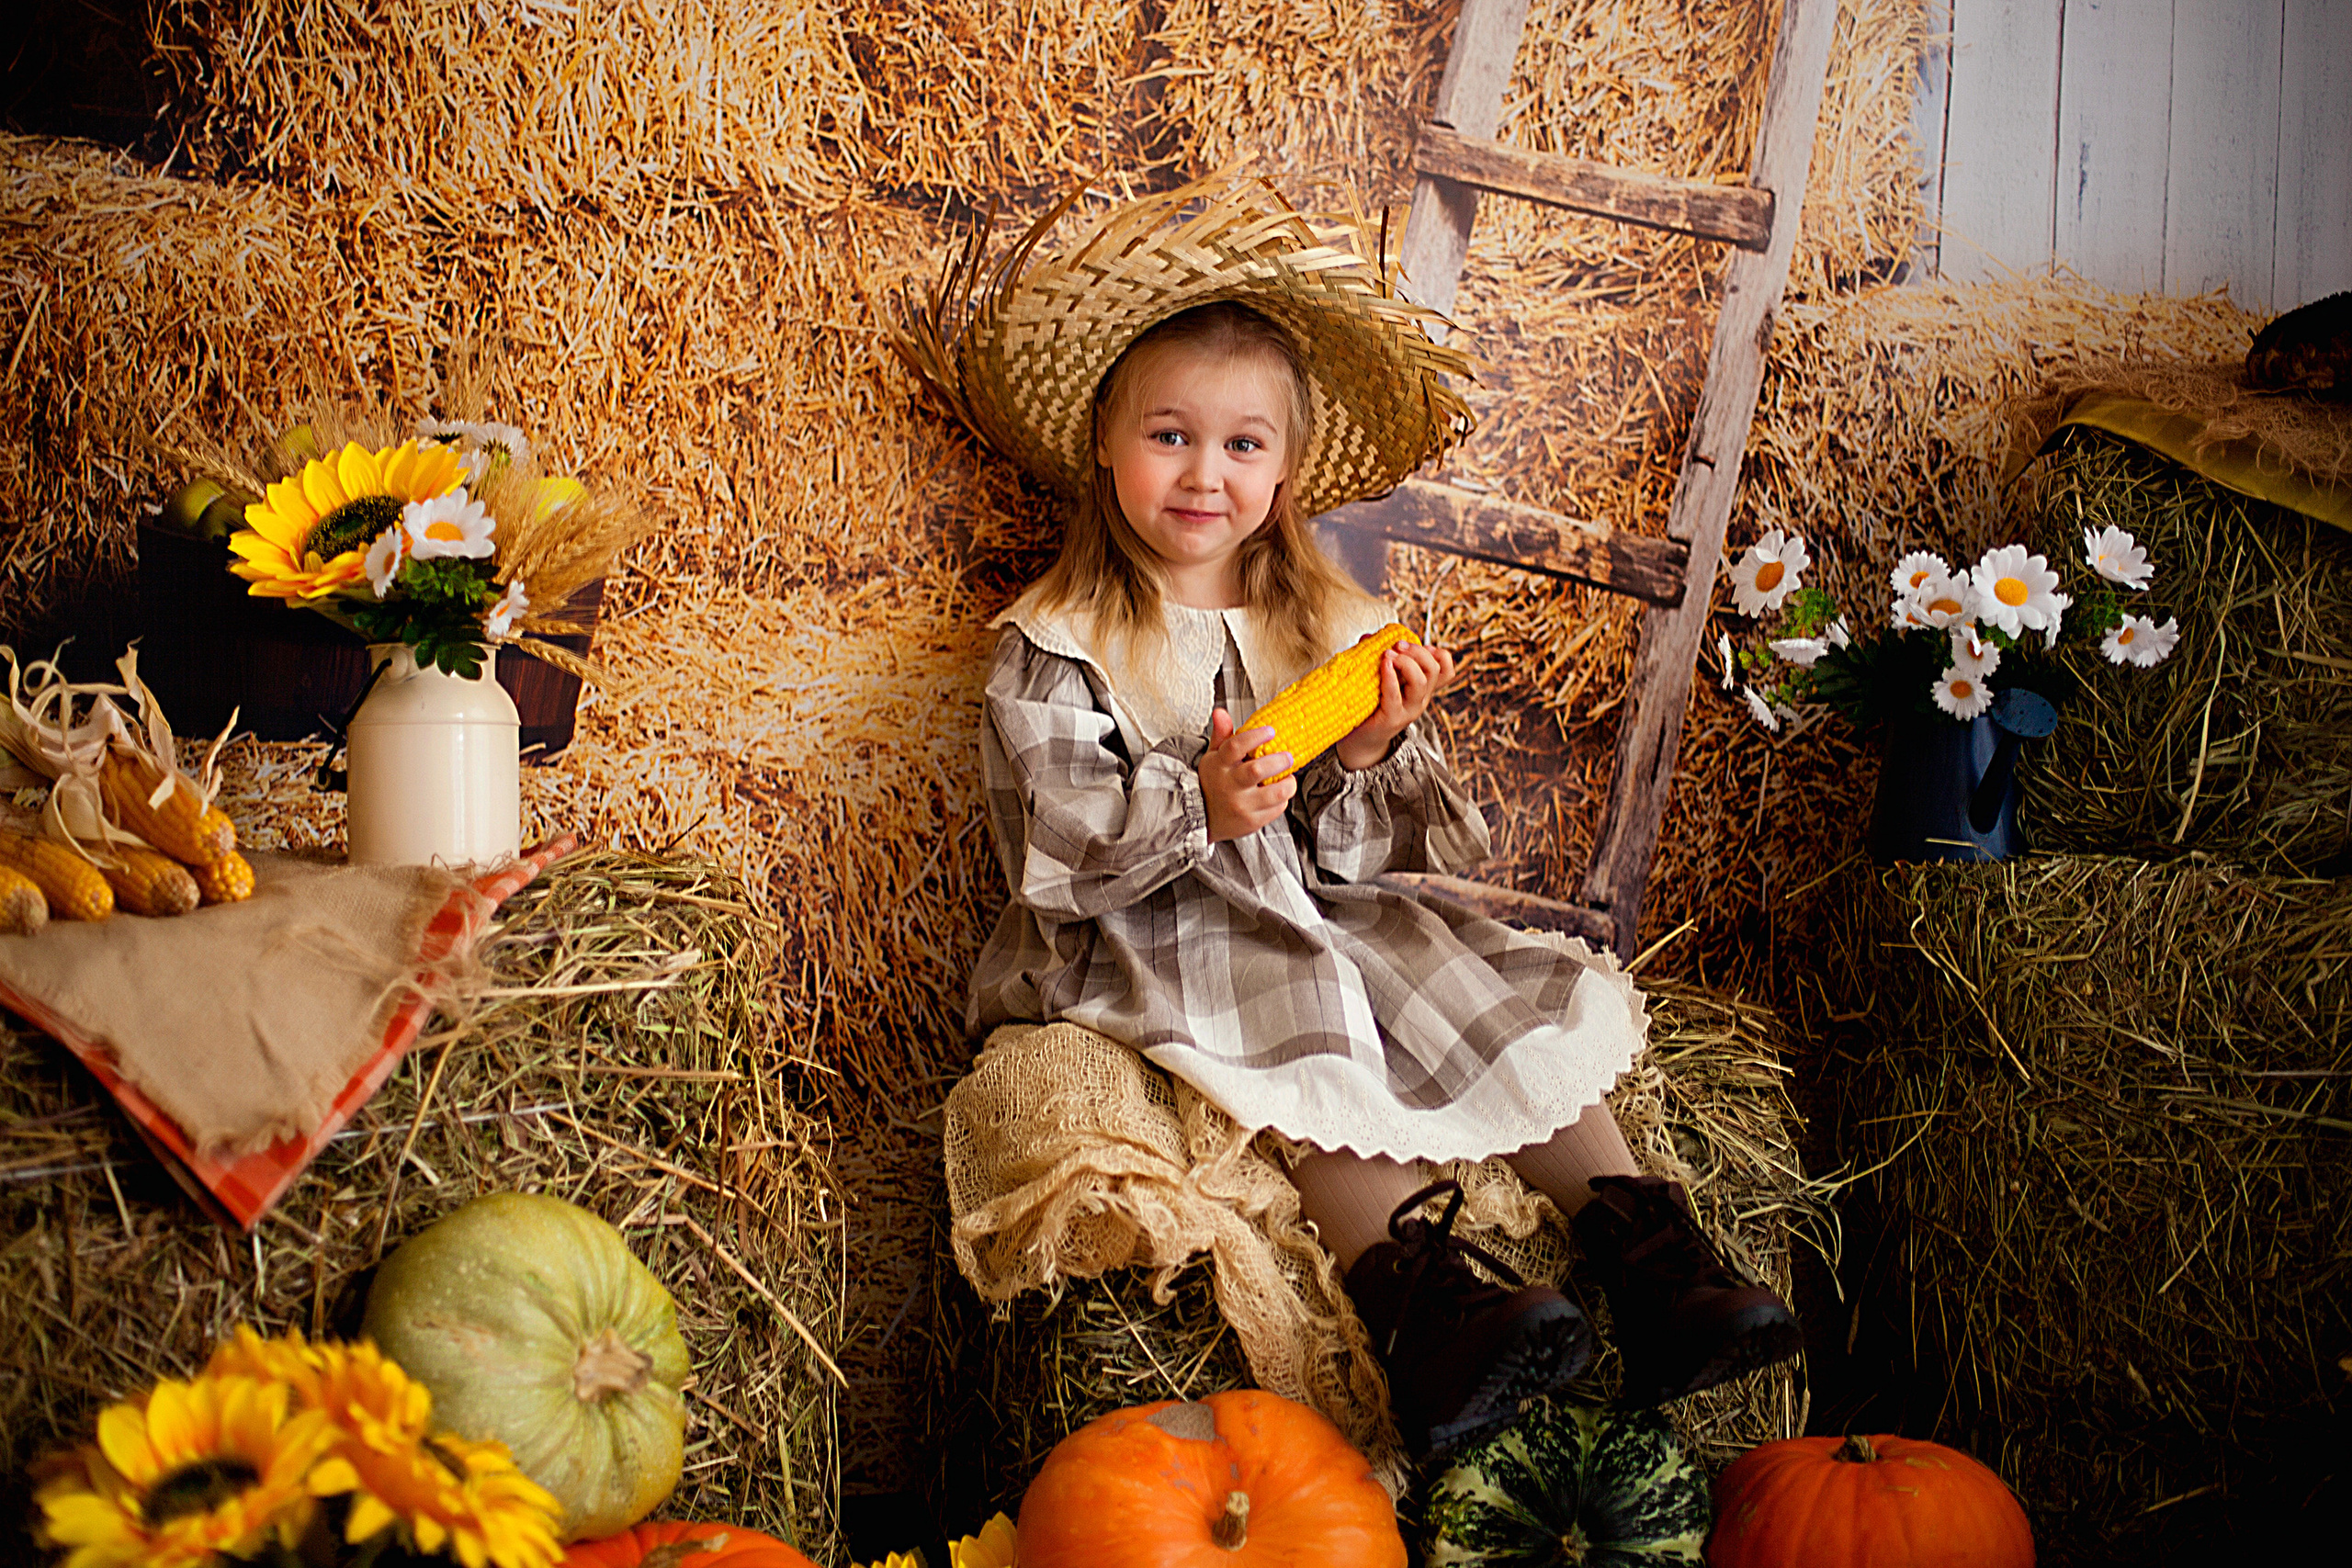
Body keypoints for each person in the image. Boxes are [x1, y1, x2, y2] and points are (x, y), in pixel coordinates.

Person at [898, 179, 1800, 1458]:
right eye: (1170, 436)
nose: (1206, 475)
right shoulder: (1057, 644)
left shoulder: (1313, 619)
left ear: (1287, 465)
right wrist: (1199, 805)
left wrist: (1367, 748)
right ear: (1105, 440)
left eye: (1243, 446)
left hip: (1297, 895)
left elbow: (1339, 853)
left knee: (1461, 975)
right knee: (1304, 1000)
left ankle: (1655, 1255)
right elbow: (1057, 850)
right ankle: (1419, 1298)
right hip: (1142, 928)